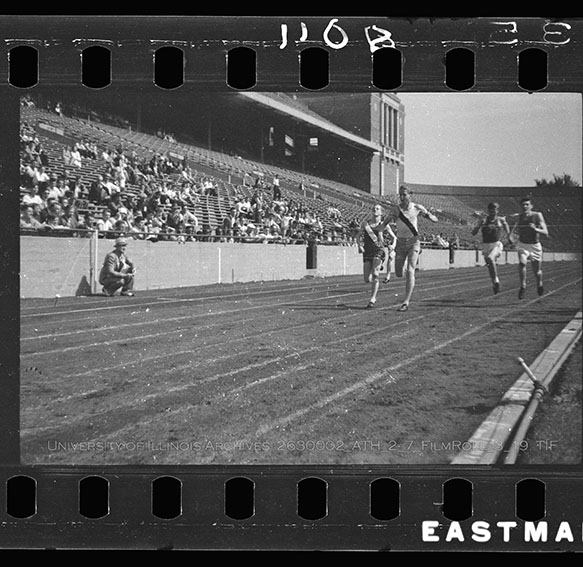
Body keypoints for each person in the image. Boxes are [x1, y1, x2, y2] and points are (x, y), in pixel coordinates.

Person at [387, 185, 438, 311]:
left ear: (410, 195)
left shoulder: (417, 207)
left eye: (404, 194)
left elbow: (434, 219)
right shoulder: (396, 209)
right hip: (401, 243)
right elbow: (385, 223)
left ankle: (406, 302)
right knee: (399, 273)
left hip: (414, 241)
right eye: (400, 195)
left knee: (410, 271)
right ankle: (407, 267)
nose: (402, 197)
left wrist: (430, 216)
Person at [357, 203, 396, 308]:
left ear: (381, 212)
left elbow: (394, 238)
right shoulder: (365, 224)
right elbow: (358, 236)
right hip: (367, 251)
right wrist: (359, 246)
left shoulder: (384, 225)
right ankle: (378, 267)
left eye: (377, 209)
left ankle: (372, 298)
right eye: (374, 208)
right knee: (367, 279)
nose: (375, 210)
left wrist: (392, 246)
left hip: (379, 250)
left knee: (375, 274)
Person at [509, 196, 549, 299]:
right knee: (522, 262)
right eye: (523, 205)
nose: (525, 206)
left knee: (537, 272)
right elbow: (510, 223)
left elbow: (546, 232)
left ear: (531, 206)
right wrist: (510, 235)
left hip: (535, 245)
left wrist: (535, 229)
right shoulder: (518, 216)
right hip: (523, 244)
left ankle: (539, 284)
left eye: (527, 204)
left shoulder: (537, 215)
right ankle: (523, 286)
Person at [471, 202, 512, 294]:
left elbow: (505, 224)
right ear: (488, 210)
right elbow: (473, 233)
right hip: (486, 245)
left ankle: (496, 281)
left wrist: (509, 235)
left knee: (490, 258)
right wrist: (479, 224)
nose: (493, 211)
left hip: (496, 244)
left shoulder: (500, 219)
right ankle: (495, 284)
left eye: (494, 209)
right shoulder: (484, 220)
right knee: (489, 265)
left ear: (497, 210)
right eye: (491, 209)